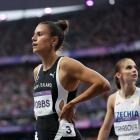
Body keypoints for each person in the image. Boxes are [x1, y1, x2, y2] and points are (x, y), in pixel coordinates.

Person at [32, 20, 110, 140]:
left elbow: (103, 84)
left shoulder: (65, 64)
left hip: (62, 135)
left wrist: (72, 104)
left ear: (53, 40)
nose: (33, 38)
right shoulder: (37, 71)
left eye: (39, 34)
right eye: (34, 34)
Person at [97, 58, 140, 140]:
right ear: (119, 75)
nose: (134, 70)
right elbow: (105, 129)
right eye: (129, 67)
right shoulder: (112, 99)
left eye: (135, 67)